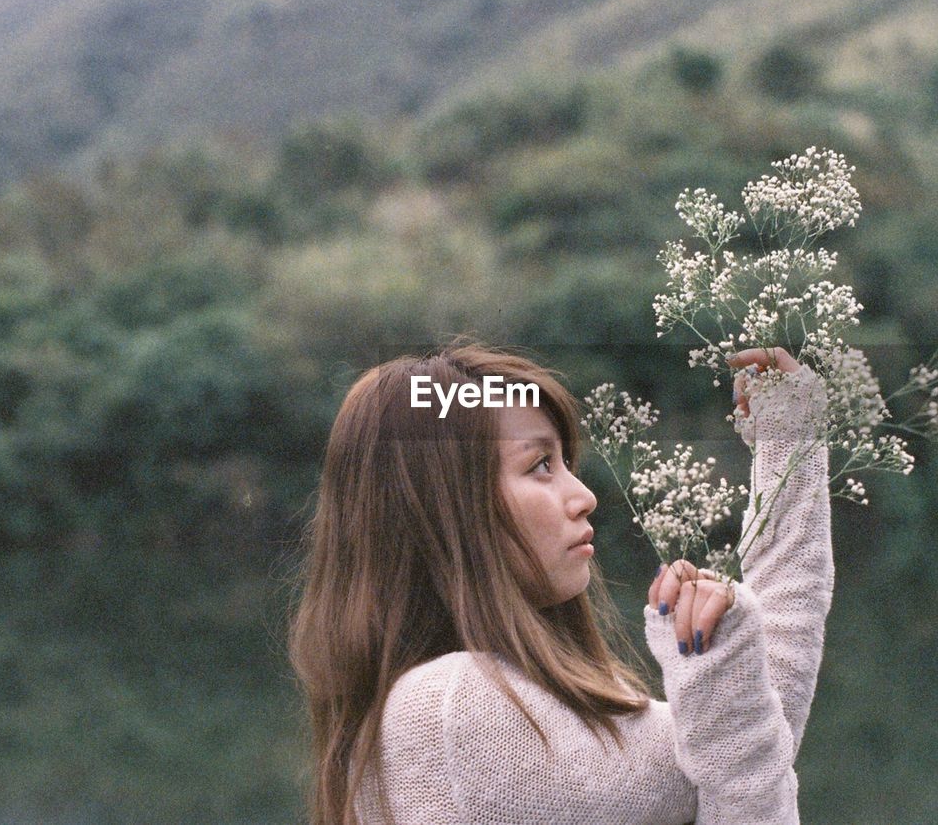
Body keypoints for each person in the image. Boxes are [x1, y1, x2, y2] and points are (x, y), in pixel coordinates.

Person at [288, 339, 833, 824]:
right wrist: (717, 667)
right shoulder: (454, 709)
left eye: (565, 462)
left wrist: (792, 451)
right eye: (540, 466)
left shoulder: (456, 703)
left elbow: (750, 748)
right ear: (446, 507)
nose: (584, 496)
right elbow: (739, 770)